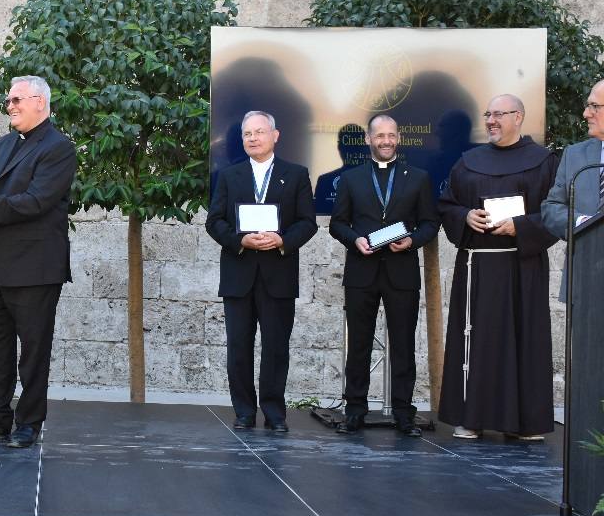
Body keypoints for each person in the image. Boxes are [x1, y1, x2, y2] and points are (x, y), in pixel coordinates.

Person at [0, 75, 76, 449]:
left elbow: (36, 201)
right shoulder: (5, 143)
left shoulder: (59, 148)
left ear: (41, 101)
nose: (11, 106)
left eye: (17, 99)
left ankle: (29, 423)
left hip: (35, 269)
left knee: (34, 352)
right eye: (8, 101)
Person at [437, 94, 558, 441]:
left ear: (518, 117)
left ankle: (526, 423)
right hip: (480, 266)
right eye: (487, 114)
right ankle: (471, 418)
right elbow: (448, 205)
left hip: (524, 267)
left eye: (498, 114)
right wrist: (465, 216)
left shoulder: (544, 161)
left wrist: (521, 227)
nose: (490, 120)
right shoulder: (468, 162)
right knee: (477, 340)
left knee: (524, 341)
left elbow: (556, 211)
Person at [205, 110, 317, 432]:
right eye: (247, 134)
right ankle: (243, 411)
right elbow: (214, 222)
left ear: (275, 135)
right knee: (238, 348)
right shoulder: (229, 176)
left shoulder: (295, 175)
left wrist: (283, 240)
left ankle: (274, 412)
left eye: (259, 132)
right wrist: (242, 241)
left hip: (278, 276)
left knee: (276, 348)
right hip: (239, 276)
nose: (252, 138)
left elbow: (307, 223)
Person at [328, 114, 439, 437]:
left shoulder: (418, 178)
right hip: (361, 272)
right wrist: (355, 240)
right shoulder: (351, 179)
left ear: (399, 138)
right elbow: (337, 224)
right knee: (359, 346)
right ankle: (355, 411)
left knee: (403, 346)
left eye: (391, 135)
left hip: (401, 272)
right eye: (380, 136)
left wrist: (412, 241)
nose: (386, 141)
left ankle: (404, 414)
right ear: (368, 140)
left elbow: (430, 224)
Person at [542, 79, 604, 281]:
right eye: (588, 106)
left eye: (594, 106)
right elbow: (551, 208)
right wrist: (581, 222)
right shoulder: (574, 155)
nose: (586, 113)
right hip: (583, 280)